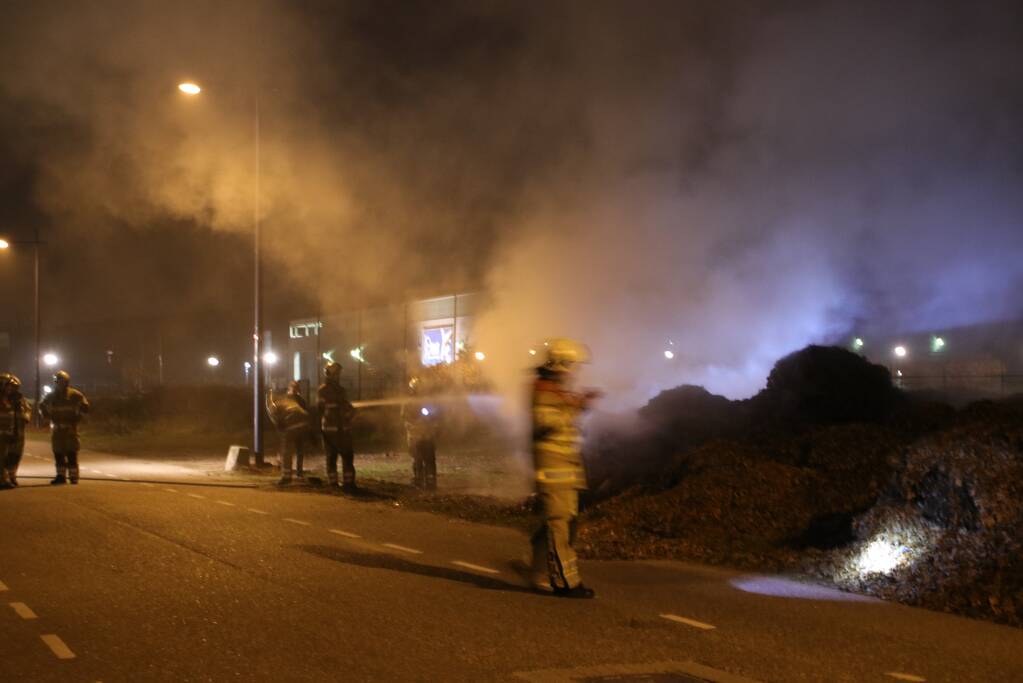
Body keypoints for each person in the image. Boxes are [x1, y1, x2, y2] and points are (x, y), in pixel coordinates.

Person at [529, 339, 602, 598]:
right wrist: (577, 406)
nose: (574, 370)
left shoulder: (555, 391)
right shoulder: (544, 389)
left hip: (565, 469)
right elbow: (546, 422)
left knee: (558, 524)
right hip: (554, 470)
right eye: (572, 365)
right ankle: (566, 583)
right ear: (559, 363)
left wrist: (576, 404)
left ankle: (539, 572)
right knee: (558, 524)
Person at [38, 370, 90, 485]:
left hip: (71, 429)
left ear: (66, 382)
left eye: (62, 381)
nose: (60, 383)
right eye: (58, 381)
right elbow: (42, 406)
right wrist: (46, 418)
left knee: (72, 453)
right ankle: (60, 476)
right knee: (58, 453)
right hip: (57, 429)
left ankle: (73, 476)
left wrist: (78, 418)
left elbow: (85, 407)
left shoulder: (75, 395)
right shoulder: (50, 396)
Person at [317, 362, 356, 490]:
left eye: (338, 373)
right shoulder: (324, 390)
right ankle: (334, 483)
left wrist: (351, 412)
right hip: (331, 430)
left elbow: (345, 407)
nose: (338, 376)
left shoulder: (339, 390)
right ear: (329, 374)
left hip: (342, 429)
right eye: (336, 373)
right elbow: (321, 409)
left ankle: (348, 482)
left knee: (346, 456)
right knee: (332, 456)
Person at [266, 380, 313, 486]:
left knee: (287, 451)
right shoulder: (296, 400)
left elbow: (275, 417)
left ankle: (286, 476)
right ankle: (297, 473)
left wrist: (279, 425)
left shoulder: (280, 402)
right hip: (302, 424)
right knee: (297, 450)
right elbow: (306, 413)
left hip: (292, 425)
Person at [401, 377, 438, 490]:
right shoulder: (408, 402)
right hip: (417, 434)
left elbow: (434, 415)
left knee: (425, 458)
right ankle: (421, 480)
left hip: (423, 434)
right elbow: (404, 417)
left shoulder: (425, 401)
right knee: (420, 458)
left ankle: (427, 481)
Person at [0, 374, 33, 488]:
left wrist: (25, 417)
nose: (11, 389)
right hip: (3, 433)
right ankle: (3, 480)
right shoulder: (3, 399)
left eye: (13, 386)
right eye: (9, 386)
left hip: (17, 432)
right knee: (3, 457)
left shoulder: (19, 400)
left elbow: (28, 410)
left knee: (15, 455)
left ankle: (10, 476)